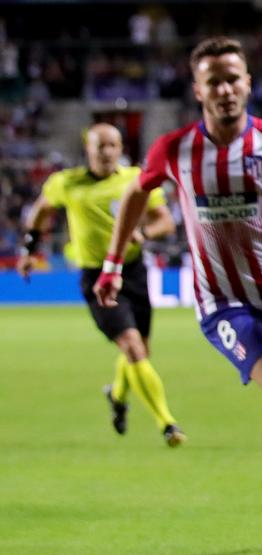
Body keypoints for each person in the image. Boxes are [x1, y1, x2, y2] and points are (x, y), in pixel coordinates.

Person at [96, 36, 262, 555]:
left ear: (247, 84)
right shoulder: (175, 149)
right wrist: (111, 264)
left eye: (232, 78)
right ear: (198, 90)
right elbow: (136, 193)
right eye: (213, 80)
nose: (224, 89)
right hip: (221, 301)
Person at [18, 123, 185, 446]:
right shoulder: (66, 183)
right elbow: (40, 213)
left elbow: (164, 221)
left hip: (133, 271)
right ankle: (168, 423)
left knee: (140, 352)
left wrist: (144, 233)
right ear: (87, 149)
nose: (107, 152)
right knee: (134, 348)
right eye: (100, 146)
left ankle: (117, 395)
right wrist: (29, 249)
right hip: (97, 277)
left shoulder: (136, 179)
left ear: (122, 148)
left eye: (113, 145)